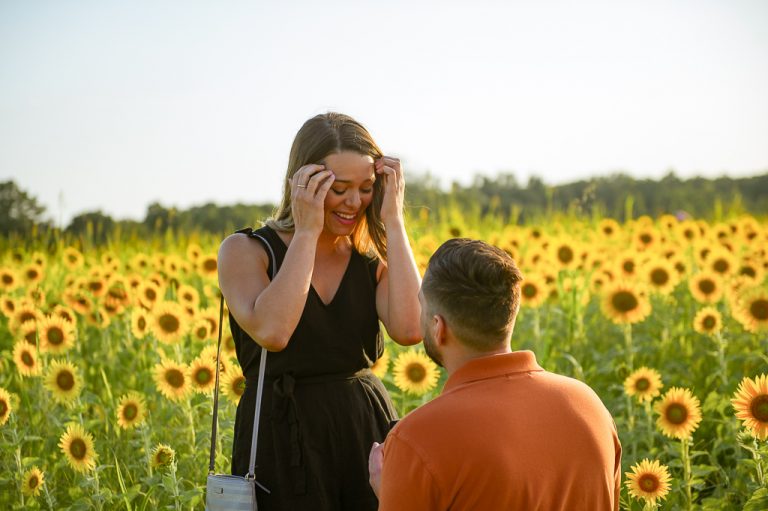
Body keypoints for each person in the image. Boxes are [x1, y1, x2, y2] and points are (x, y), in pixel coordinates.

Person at [217, 112, 422, 510]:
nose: (354, 202)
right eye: (339, 188)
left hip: (363, 430)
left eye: (366, 188)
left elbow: (411, 328)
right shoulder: (245, 251)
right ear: (302, 182)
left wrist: (393, 221)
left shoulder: (368, 261)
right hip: (282, 438)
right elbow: (274, 331)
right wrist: (307, 230)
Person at [369, 238, 622, 511]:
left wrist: (391, 492)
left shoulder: (416, 439)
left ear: (438, 327)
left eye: (422, 304)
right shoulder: (590, 407)